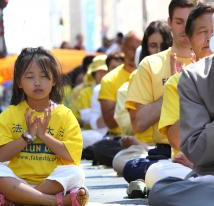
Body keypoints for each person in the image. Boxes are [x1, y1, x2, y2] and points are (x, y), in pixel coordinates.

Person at [0, 47, 88, 206]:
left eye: (44, 76)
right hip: (18, 181)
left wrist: (44, 135)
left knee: (76, 173)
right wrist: (27, 136)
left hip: (52, 181)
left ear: (54, 80)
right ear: (19, 82)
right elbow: (1, 156)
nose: (37, 83)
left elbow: (71, 155)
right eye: (30, 77)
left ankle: (16, 200)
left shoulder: (64, 114)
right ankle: (54, 201)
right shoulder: (10, 114)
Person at [148, 4, 214, 206]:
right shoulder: (192, 79)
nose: (210, 38)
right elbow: (196, 151)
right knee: (160, 193)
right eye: (204, 32)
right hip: (206, 175)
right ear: (191, 40)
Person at [123, 0, 197, 187]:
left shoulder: (207, 61)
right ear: (169, 22)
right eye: (179, 22)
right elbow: (138, 123)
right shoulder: (150, 64)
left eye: (190, 21)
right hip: (167, 154)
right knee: (134, 167)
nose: (185, 28)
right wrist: (173, 89)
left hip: (204, 149)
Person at [111, 21, 173, 179]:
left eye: (163, 45)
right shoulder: (139, 74)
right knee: (120, 160)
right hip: (143, 149)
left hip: (178, 148)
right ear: (145, 48)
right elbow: (132, 124)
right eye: (153, 45)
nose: (158, 50)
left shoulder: (187, 68)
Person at [82, 32, 141, 166]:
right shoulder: (110, 80)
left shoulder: (152, 73)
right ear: (123, 49)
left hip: (148, 138)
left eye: (139, 48)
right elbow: (111, 123)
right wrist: (127, 98)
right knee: (101, 148)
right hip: (121, 138)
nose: (136, 53)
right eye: (132, 48)